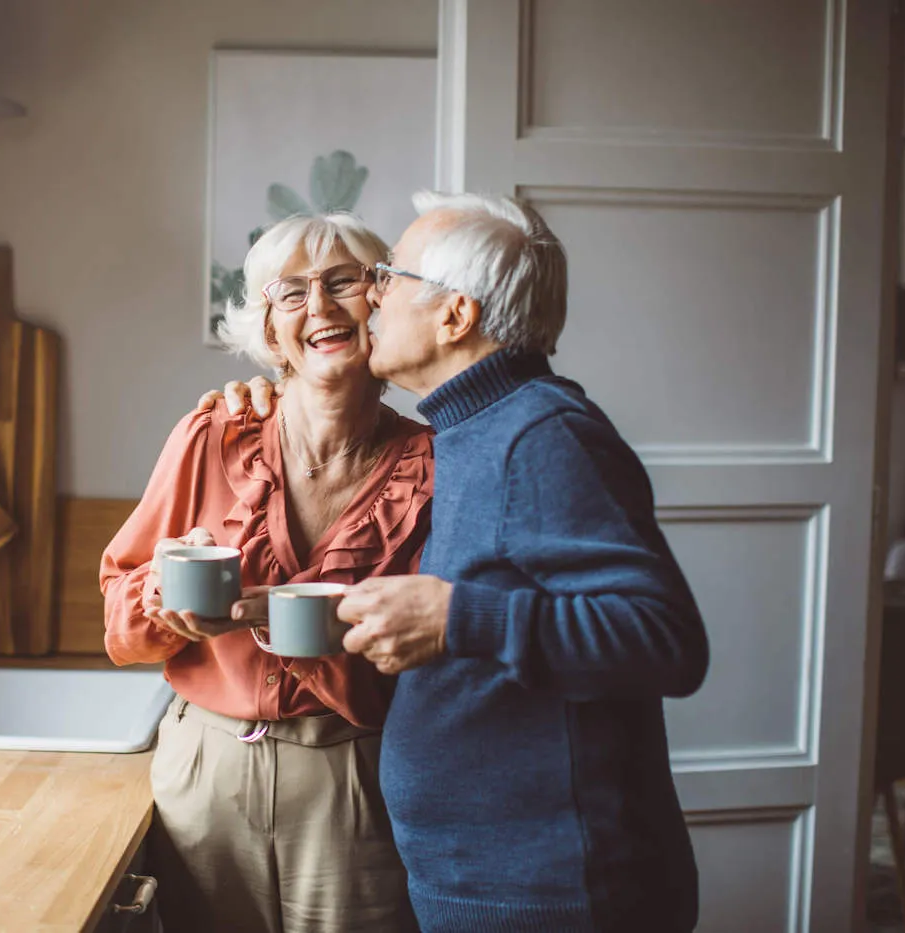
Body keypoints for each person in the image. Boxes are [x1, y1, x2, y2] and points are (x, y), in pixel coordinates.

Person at [203, 191, 709, 932]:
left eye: (390, 277)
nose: (370, 294)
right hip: (492, 882)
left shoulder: (542, 435)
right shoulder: (472, 429)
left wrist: (454, 617)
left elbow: (666, 641)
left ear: (455, 315)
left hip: (551, 895)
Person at [100, 213, 432, 932]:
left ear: (381, 302)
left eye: (344, 281)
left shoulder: (434, 467)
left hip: (354, 774)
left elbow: (438, 654)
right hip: (206, 771)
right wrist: (163, 601)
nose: (319, 307)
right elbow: (117, 619)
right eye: (291, 293)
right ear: (270, 330)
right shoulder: (210, 434)